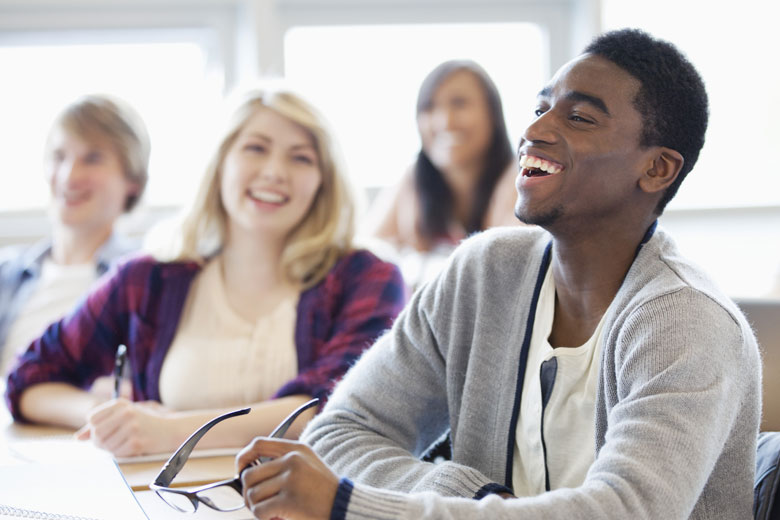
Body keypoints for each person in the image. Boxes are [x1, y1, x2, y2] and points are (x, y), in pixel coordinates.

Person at [234, 29, 761, 519]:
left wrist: (354, 505)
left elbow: (621, 512)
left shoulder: (686, 322)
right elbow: (341, 432)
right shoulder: (482, 273)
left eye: (578, 118)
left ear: (657, 169)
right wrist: (472, 495)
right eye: (539, 108)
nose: (533, 131)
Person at [5, 87, 406, 458]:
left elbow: (335, 407)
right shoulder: (148, 280)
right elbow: (29, 378)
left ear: (323, 181)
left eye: (300, 157)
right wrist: (110, 414)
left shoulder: (367, 278)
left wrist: (168, 431)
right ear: (220, 165)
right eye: (255, 148)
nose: (274, 171)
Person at [0, 94, 149, 376]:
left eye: (92, 158)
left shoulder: (143, 280)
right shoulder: (7, 274)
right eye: (58, 157)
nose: (69, 176)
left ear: (134, 180)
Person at [364, 60, 520, 288]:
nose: (444, 121)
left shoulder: (522, 182)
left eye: (459, 104)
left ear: (493, 113)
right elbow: (368, 254)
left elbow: (513, 272)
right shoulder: (413, 180)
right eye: (428, 107)